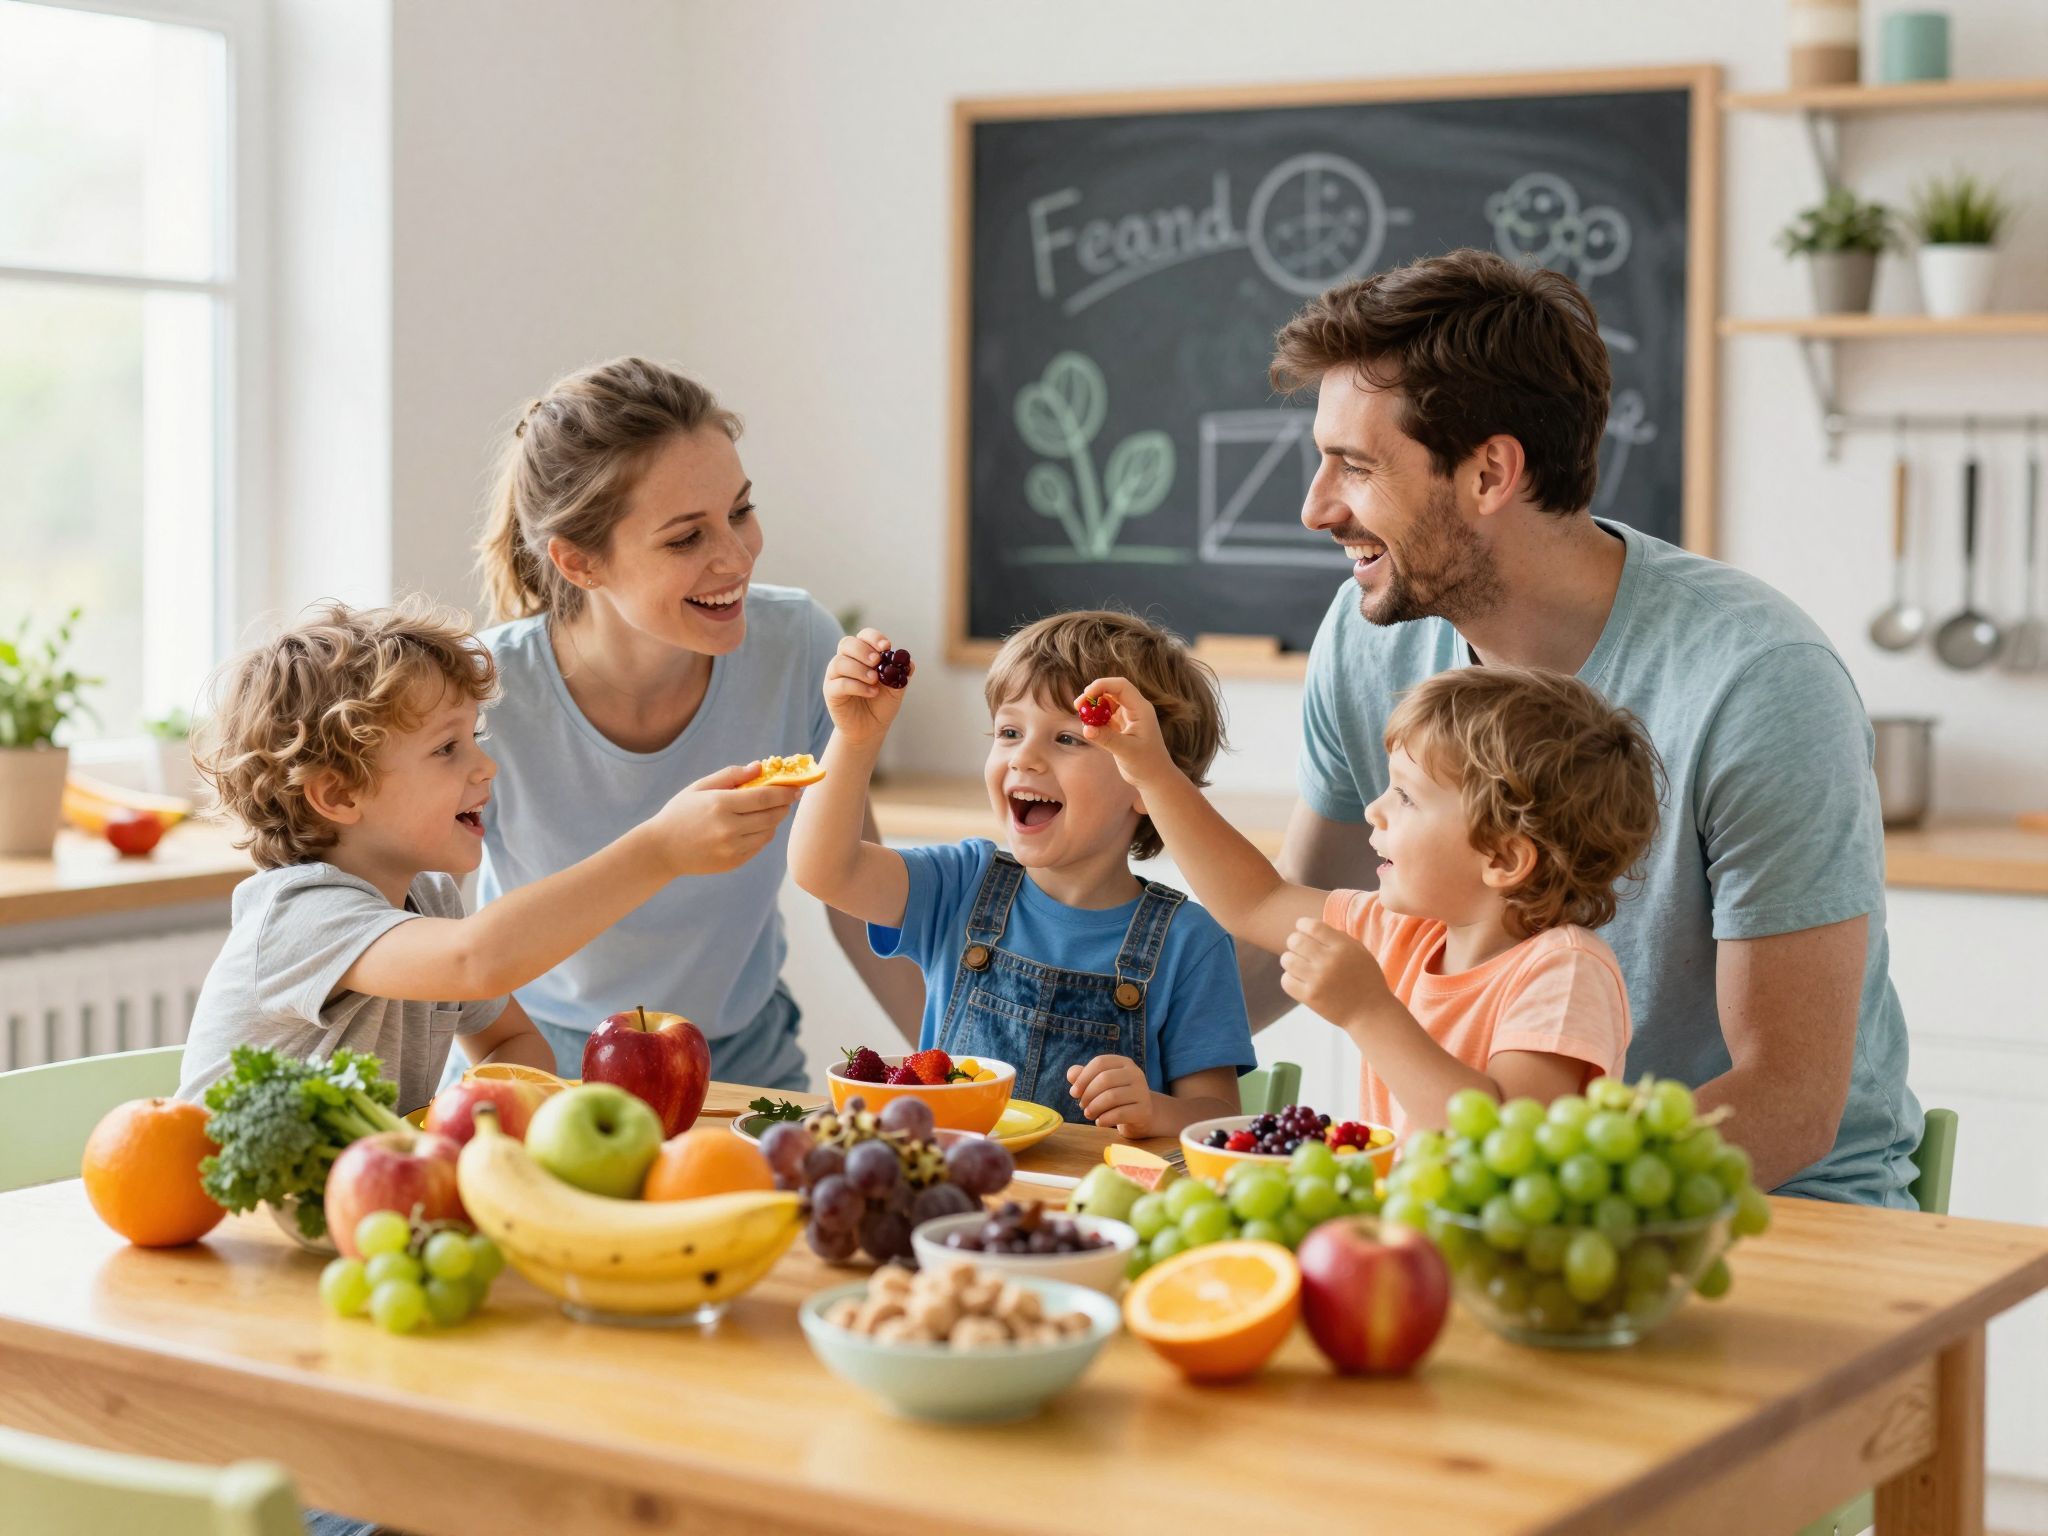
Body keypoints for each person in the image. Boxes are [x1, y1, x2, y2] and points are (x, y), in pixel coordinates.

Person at [1249, 247, 1921, 1204]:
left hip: (1760, 1205)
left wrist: (1536, 1198)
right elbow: (1298, 930)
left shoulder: (1759, 680)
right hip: (1480, 1191)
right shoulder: (1368, 640)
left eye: (1354, 465)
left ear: (1490, 472)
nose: (1316, 508)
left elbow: (1789, 1100)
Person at [471, 357, 922, 1087]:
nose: (737, 555)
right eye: (686, 538)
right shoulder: (483, 694)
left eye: (740, 511)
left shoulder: (797, 643)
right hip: (545, 1065)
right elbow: (435, 943)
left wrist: (962, 1065)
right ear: (579, 562)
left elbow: (857, 892)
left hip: (741, 1065)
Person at [177, 599, 794, 1116]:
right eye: (447, 748)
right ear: (339, 793)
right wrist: (659, 849)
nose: (484, 765)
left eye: (474, 737)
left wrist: (465, 1115)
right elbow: (479, 961)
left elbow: (517, 1041)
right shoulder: (297, 917)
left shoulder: (430, 900)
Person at [1077, 664, 1659, 1133]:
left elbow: (1503, 1139)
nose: (1373, 810)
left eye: (1405, 797)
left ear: (1503, 858)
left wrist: (1368, 1011)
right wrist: (1151, 772)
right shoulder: (1403, 930)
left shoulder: (1565, 972)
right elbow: (1253, 900)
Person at [788, 610, 1256, 1137]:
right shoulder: (961, 882)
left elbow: (1221, 1123)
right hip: (950, 1189)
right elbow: (822, 869)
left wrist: (1157, 1110)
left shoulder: (1191, 944)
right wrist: (855, 739)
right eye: (1009, 731)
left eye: (1068, 739)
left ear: (1148, 781)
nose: (1025, 758)